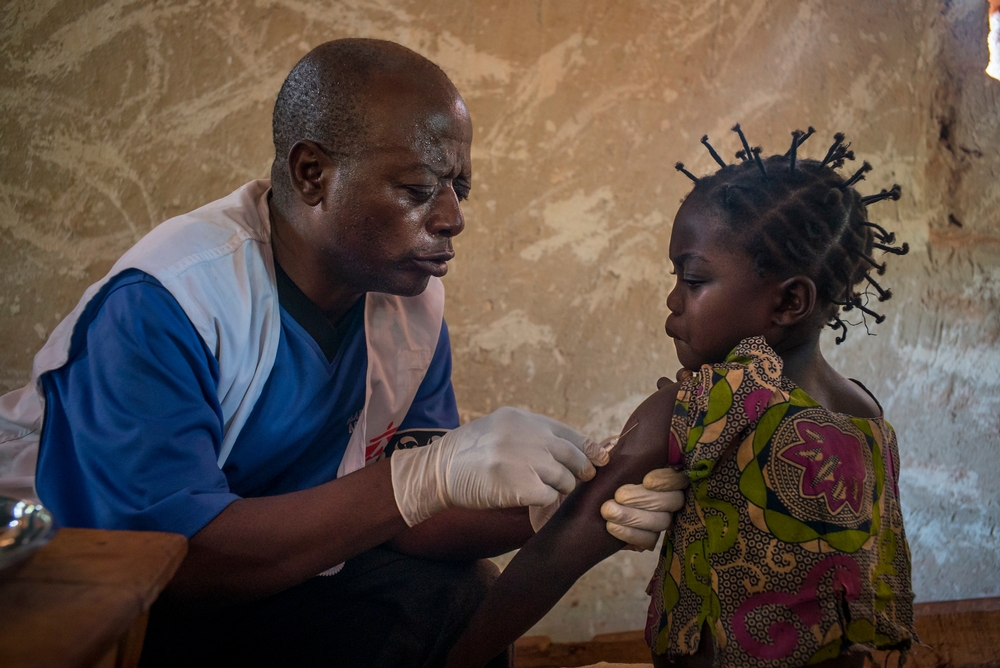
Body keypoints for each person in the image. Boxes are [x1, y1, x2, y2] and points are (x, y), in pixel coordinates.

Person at [0, 39, 678, 667]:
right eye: (418, 190)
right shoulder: (165, 304)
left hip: (265, 574)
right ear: (312, 174)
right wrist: (425, 476)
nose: (452, 218)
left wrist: (558, 501)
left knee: (453, 594)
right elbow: (176, 567)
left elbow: (404, 525)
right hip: (84, 597)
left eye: (458, 188)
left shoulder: (406, 302)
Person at [445, 126, 917, 668]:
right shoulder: (869, 417)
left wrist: (457, 659)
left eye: (693, 280)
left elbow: (557, 554)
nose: (673, 299)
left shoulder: (709, 404)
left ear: (788, 302)